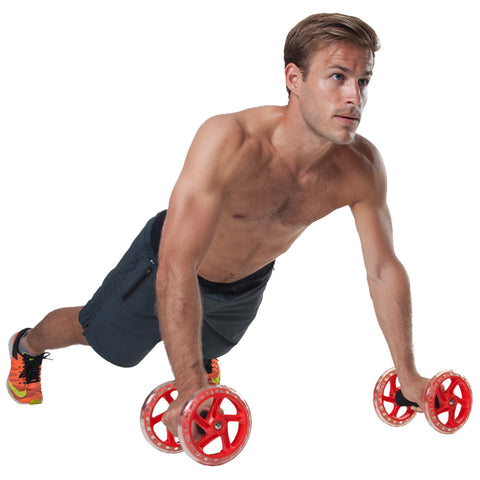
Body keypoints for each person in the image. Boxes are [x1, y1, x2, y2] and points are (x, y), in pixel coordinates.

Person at [7, 13, 429, 435]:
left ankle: (195, 352)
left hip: (244, 287)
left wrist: (407, 372)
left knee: (215, 347)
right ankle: (26, 346)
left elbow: (382, 269)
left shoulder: (362, 166)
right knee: (105, 342)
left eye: (364, 81)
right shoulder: (229, 139)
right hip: (166, 264)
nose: (355, 96)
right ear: (294, 79)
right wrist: (189, 384)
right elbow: (177, 264)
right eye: (338, 76)